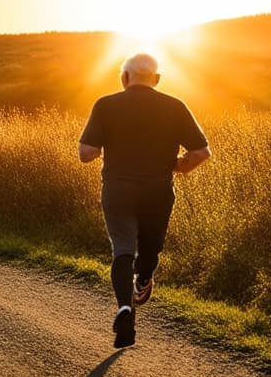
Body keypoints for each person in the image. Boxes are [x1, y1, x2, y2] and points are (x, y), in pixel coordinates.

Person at [78, 52, 211, 348]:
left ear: (124, 78)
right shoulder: (175, 106)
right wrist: (178, 165)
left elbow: (86, 153)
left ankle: (125, 308)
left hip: (118, 190)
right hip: (158, 191)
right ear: (157, 79)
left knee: (123, 249)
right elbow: (201, 153)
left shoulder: (106, 105)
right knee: (151, 245)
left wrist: (104, 149)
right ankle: (144, 279)